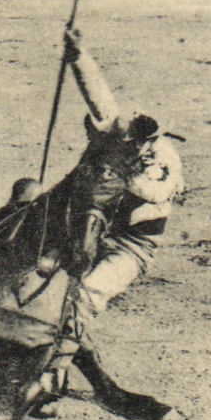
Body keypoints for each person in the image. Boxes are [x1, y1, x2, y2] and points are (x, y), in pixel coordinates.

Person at [45, 24, 185, 392]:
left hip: (132, 248)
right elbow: (98, 97)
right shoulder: (120, 137)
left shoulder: (167, 162)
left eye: (134, 145)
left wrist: (126, 177)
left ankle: (54, 373)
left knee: (83, 295)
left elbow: (158, 194)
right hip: (93, 228)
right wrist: (78, 55)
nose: (129, 148)